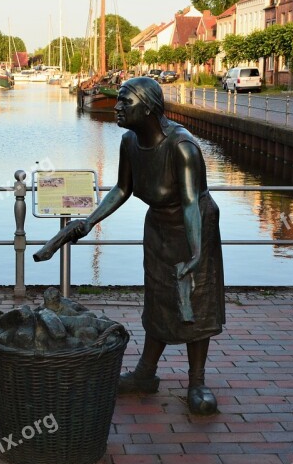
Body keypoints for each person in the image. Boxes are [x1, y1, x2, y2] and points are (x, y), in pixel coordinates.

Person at [66, 76, 225, 415]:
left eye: (126, 102)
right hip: (159, 226)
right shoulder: (129, 142)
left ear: (149, 108)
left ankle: (197, 381)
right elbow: (122, 190)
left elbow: (190, 204)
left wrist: (197, 255)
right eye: (119, 102)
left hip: (193, 225)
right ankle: (145, 374)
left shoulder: (182, 147)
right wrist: (89, 221)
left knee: (195, 300)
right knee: (158, 297)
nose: (118, 107)